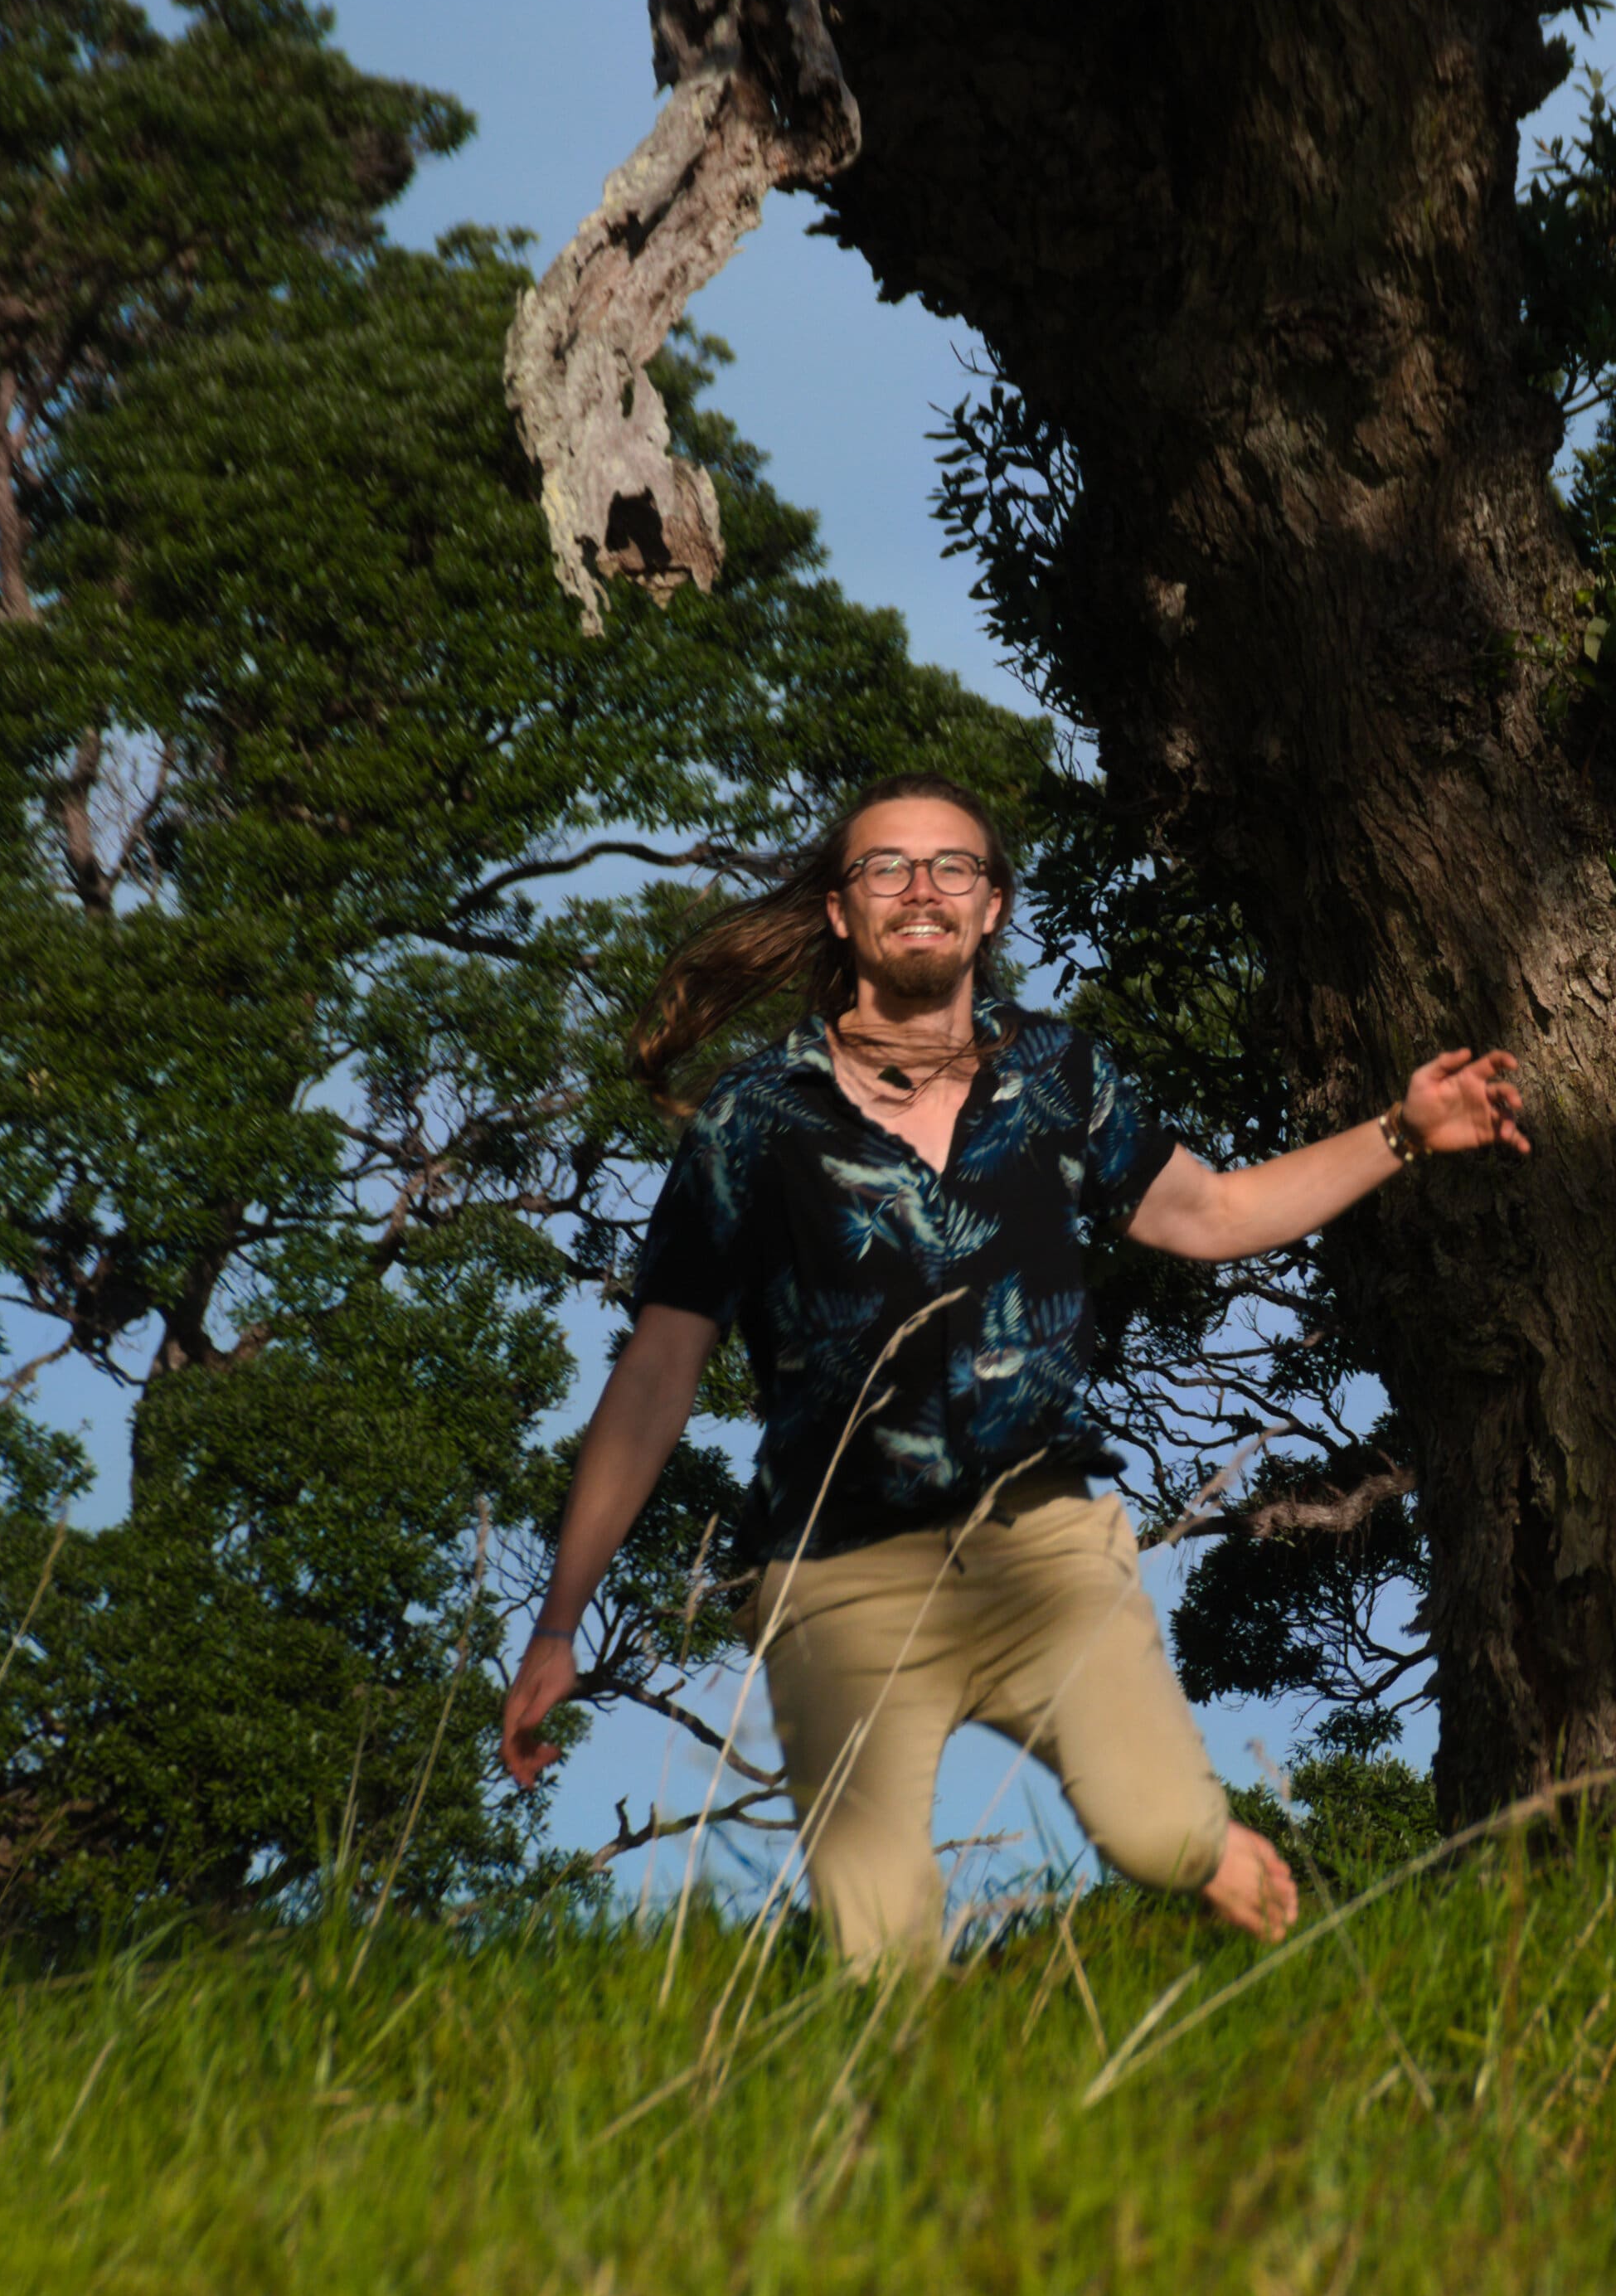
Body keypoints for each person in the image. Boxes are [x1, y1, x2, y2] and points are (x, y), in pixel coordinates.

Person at [501, 775, 1528, 1968]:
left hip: (1046, 1554)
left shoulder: (1057, 1075)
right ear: (842, 912)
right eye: (886, 868)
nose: (921, 888)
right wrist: (558, 1623)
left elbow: (1215, 1213)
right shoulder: (753, 1119)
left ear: (992, 907)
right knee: (879, 1952)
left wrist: (1402, 1132)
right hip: (837, 1582)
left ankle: (1205, 1843)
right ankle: (924, 2140)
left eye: (953, 867)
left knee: (1156, 1835)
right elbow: (654, 1374)